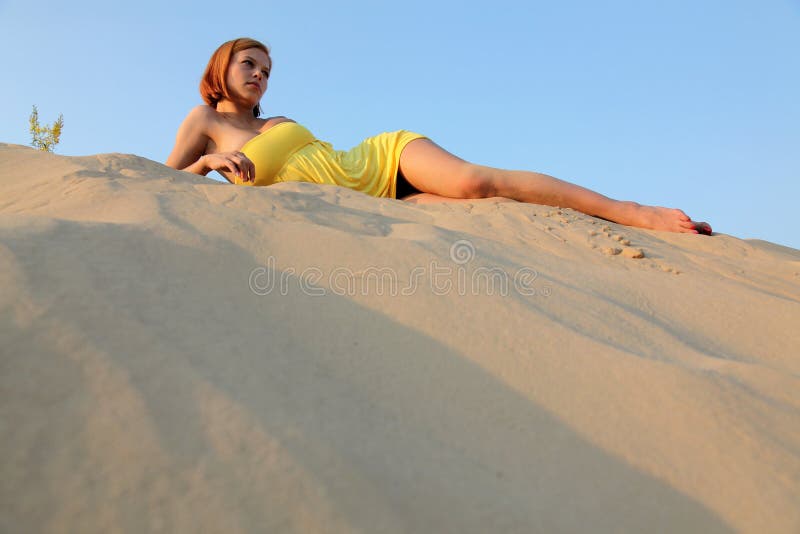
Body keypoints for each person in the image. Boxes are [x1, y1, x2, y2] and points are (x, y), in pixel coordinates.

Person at [167, 37, 712, 234]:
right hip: (372, 208)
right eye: (249, 63)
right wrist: (207, 165)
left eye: (266, 69)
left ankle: (632, 212)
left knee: (479, 182)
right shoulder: (205, 122)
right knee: (495, 213)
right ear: (221, 65)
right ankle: (610, 227)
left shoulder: (274, 121)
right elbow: (156, 181)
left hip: (379, 163)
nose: (260, 75)